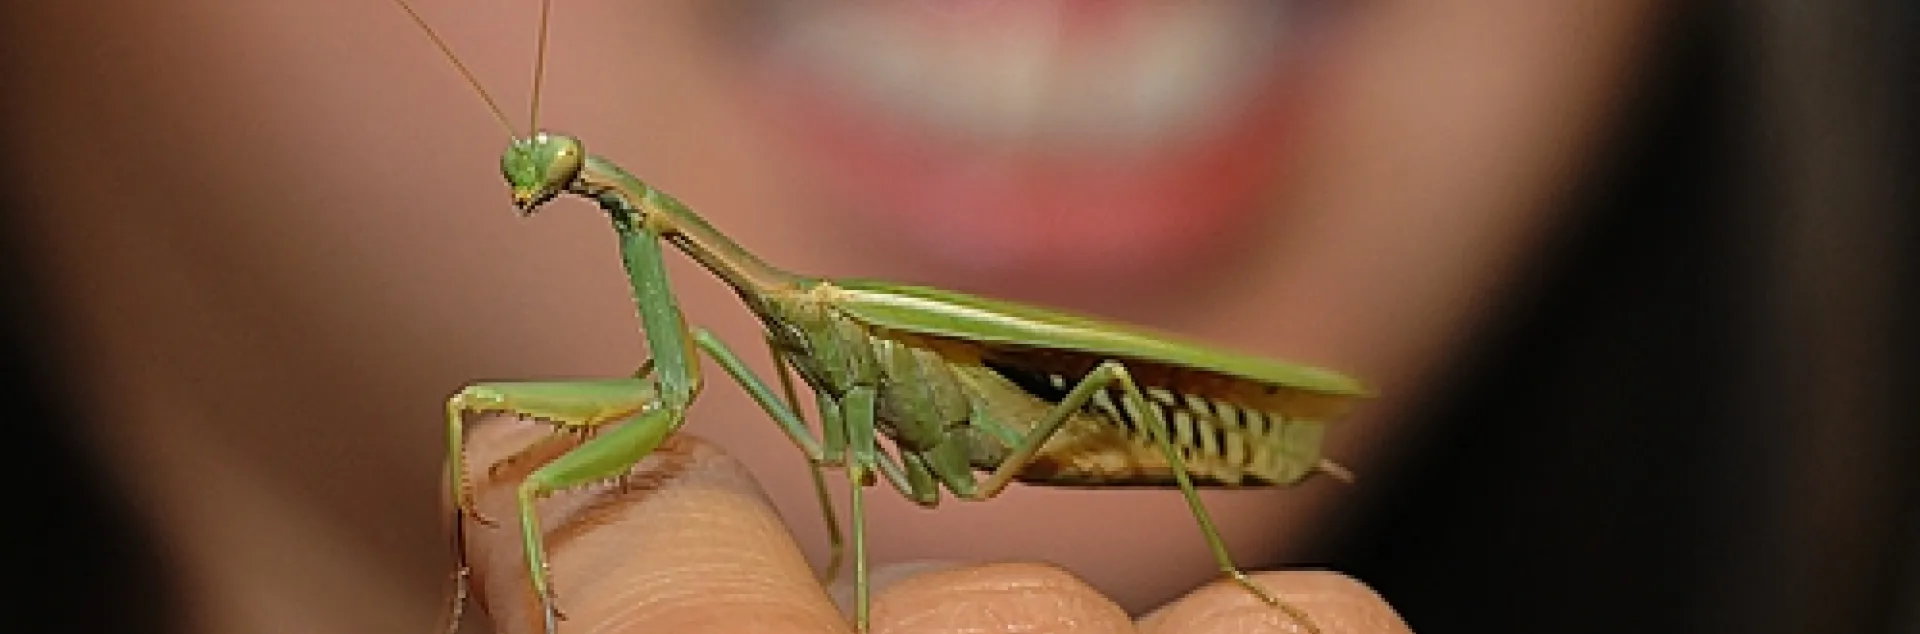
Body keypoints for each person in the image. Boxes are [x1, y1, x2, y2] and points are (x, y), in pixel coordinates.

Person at [2, 1, 1910, 633]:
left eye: (557, 165)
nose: (553, 175)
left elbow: (789, 440)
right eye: (549, 170)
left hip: (1118, 416)